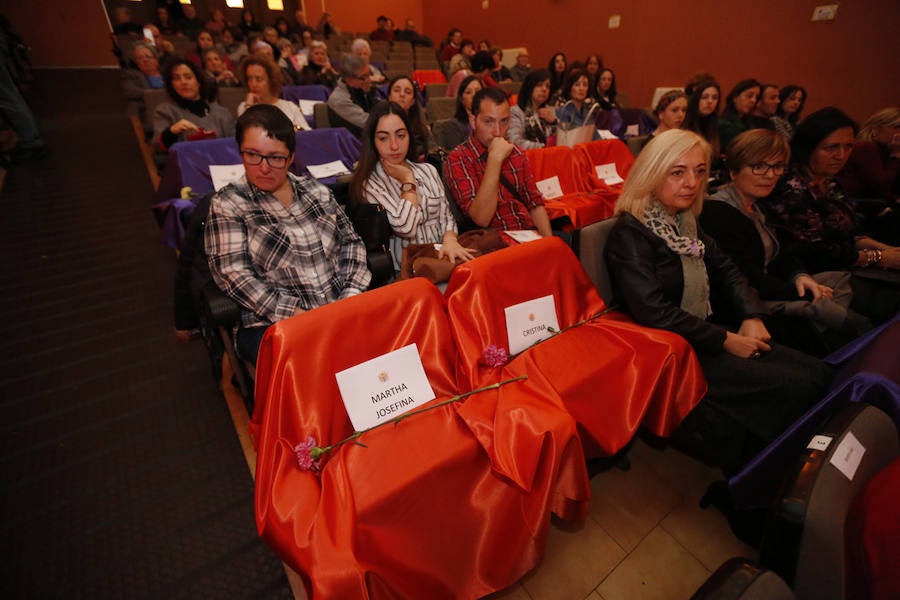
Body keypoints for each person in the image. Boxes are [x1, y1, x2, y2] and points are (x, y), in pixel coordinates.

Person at [604, 128, 830, 474]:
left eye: (699, 171)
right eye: (677, 172)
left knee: (819, 373)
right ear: (652, 173)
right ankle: (760, 480)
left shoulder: (683, 221)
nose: (692, 183)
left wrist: (751, 314)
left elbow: (727, 269)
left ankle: (776, 470)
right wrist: (726, 339)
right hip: (669, 350)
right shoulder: (630, 234)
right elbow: (654, 313)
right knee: (799, 388)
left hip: (701, 331)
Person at [205, 105, 371, 364]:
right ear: (240, 152)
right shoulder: (229, 203)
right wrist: (299, 316)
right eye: (253, 155)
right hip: (274, 322)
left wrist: (349, 299)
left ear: (291, 157)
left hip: (339, 307)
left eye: (275, 157)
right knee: (320, 365)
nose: (263, 168)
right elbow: (234, 274)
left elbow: (351, 243)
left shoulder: (316, 192)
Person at [702, 129, 871, 351]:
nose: (770, 175)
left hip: (773, 288)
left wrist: (799, 276)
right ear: (734, 171)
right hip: (746, 302)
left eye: (777, 167)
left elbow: (785, 252)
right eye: (759, 166)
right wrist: (799, 292)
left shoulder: (759, 205)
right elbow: (744, 277)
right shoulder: (717, 212)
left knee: (844, 287)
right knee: (854, 322)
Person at [762, 107, 900, 322]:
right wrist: (879, 257)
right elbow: (813, 252)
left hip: (848, 267)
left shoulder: (831, 182)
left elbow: (851, 231)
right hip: (814, 277)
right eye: (831, 147)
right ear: (809, 147)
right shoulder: (790, 187)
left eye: (848, 146)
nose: (841, 155)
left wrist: (885, 250)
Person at [351, 101, 473, 271]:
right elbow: (405, 228)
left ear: (409, 135)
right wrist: (408, 181)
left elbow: (446, 217)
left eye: (401, 136)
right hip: (406, 270)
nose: (394, 146)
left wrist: (450, 240)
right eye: (384, 138)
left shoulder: (428, 170)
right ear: (373, 141)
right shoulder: (370, 184)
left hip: (441, 260)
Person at [444, 87, 552, 236]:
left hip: (528, 234)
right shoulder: (459, 158)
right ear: (473, 121)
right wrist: (495, 159)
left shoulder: (516, 153)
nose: (497, 132)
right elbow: (481, 218)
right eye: (488, 122)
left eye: (504, 121)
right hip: (495, 242)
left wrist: (549, 242)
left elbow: (535, 205)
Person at [152, 59, 235, 154]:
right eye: (176, 78)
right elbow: (157, 148)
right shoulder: (165, 111)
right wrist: (171, 132)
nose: (183, 82)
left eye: (188, 77)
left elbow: (236, 146)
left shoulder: (222, 113)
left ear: (198, 82)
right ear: (172, 85)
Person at [838, 107, 899, 209]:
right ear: (877, 129)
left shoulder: (884, 151)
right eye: (897, 127)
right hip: (856, 206)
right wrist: (896, 155)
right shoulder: (866, 147)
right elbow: (881, 185)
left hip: (872, 203)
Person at [238, 56, 310, 131]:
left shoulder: (290, 107)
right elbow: (247, 131)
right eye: (249, 79)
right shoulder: (244, 107)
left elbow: (307, 133)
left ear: (271, 80)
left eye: (259, 79)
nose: (253, 84)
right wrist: (249, 106)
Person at [326, 54, 379, 137]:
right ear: (350, 80)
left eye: (369, 74)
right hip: (353, 142)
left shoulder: (361, 89)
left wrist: (369, 94)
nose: (369, 80)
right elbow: (368, 123)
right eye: (364, 77)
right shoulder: (339, 100)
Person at [121, 42, 165, 137]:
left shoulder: (167, 73)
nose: (144, 60)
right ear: (136, 62)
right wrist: (156, 95)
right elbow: (129, 91)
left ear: (156, 59)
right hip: (152, 111)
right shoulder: (131, 75)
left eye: (148, 56)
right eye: (139, 58)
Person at [509, 69, 557, 150]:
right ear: (529, 87)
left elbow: (562, 139)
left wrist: (554, 122)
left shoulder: (550, 110)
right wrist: (545, 147)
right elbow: (515, 142)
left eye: (547, 86)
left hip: (551, 155)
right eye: (539, 85)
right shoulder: (516, 112)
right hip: (528, 156)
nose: (544, 89)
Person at [386, 75, 432, 158]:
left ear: (413, 101)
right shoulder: (378, 125)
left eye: (407, 92)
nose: (402, 94)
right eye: (397, 90)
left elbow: (432, 153)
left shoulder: (422, 129)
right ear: (389, 97)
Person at [433, 75, 482, 152]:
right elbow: (456, 154)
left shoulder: (491, 123)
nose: (474, 95)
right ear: (461, 99)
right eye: (468, 92)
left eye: (478, 92)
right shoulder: (453, 126)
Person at [718, 78, 761, 154]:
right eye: (749, 96)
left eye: (756, 98)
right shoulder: (724, 124)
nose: (753, 101)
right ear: (735, 97)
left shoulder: (750, 122)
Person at [684, 79, 721, 161]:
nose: (710, 101)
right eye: (705, 97)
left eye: (714, 98)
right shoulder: (685, 123)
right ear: (696, 99)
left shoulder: (717, 124)